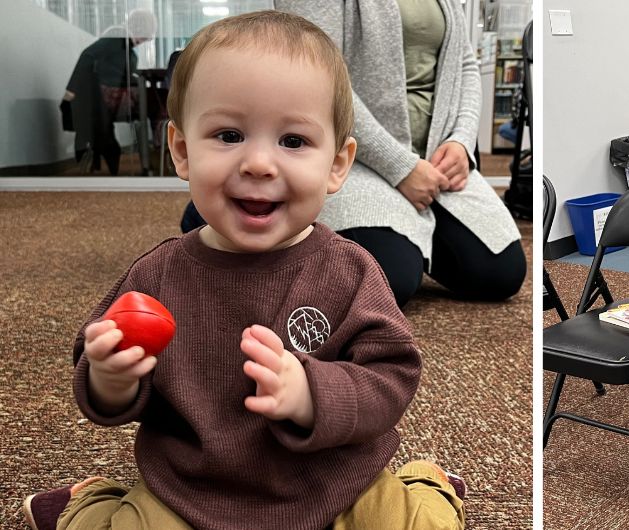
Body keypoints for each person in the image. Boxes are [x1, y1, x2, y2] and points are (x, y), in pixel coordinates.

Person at [22, 12, 465, 530]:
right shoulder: (158, 274)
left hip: (334, 483)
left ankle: (428, 485)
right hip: (192, 490)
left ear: (337, 165)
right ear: (182, 151)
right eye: (229, 134)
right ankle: (89, 502)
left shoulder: (351, 270)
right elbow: (100, 379)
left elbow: (392, 378)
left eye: (293, 141)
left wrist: (311, 394)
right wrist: (110, 378)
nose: (258, 163)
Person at [180, 0, 527, 307]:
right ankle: (215, 209)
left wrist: (461, 141)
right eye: (227, 137)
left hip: (436, 153)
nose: (257, 164)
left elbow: (464, 62)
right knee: (388, 278)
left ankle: (415, 230)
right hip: (363, 156)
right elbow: (322, 81)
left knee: (501, 272)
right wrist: (401, 167)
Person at [63, 8, 156, 175]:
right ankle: (154, 156)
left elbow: (120, 71)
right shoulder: (117, 37)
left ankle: (155, 155)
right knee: (155, 104)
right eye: (143, 37)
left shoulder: (125, 45)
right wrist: (71, 91)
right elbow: (88, 56)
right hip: (107, 96)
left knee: (154, 102)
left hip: (111, 97)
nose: (142, 42)